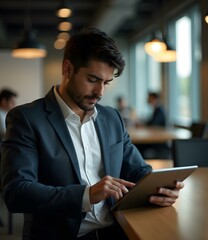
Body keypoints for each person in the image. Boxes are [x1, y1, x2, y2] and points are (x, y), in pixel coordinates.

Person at [1, 28, 184, 240]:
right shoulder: (26, 119)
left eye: (106, 82)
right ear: (68, 69)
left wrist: (160, 189)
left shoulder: (112, 118)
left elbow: (138, 170)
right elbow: (16, 192)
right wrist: (87, 195)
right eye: (93, 79)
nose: (100, 92)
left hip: (118, 231)